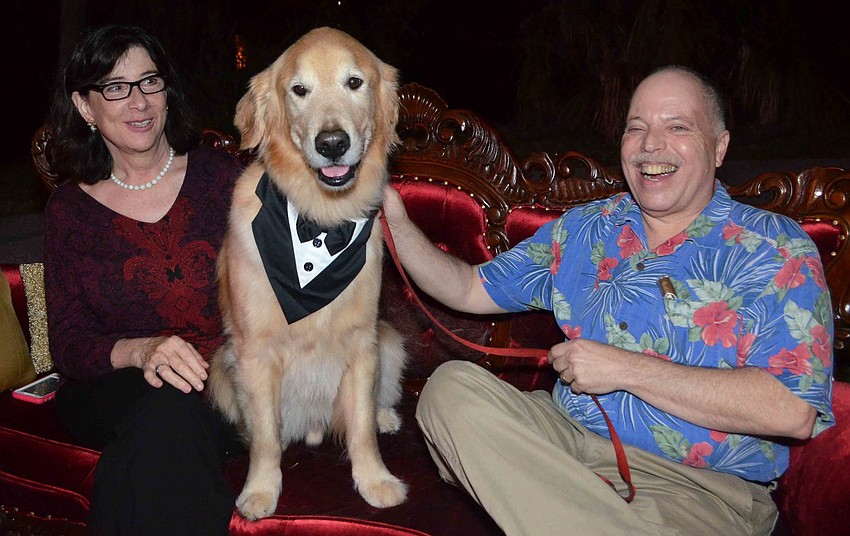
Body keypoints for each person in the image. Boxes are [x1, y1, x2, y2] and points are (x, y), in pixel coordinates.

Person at [381, 65, 834, 535]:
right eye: (636, 128)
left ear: (719, 147)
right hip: (562, 447)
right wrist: (394, 219)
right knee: (450, 392)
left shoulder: (774, 247)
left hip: (700, 490)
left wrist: (624, 369)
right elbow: (469, 287)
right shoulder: (587, 227)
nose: (650, 144)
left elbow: (791, 411)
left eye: (677, 127)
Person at [43, 24, 243, 535]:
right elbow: (65, 343)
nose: (138, 101)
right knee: (161, 407)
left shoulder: (222, 178)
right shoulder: (68, 209)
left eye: (149, 82)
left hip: (224, 384)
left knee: (159, 430)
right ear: (86, 108)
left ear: (167, 93)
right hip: (112, 386)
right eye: (115, 87)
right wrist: (141, 349)